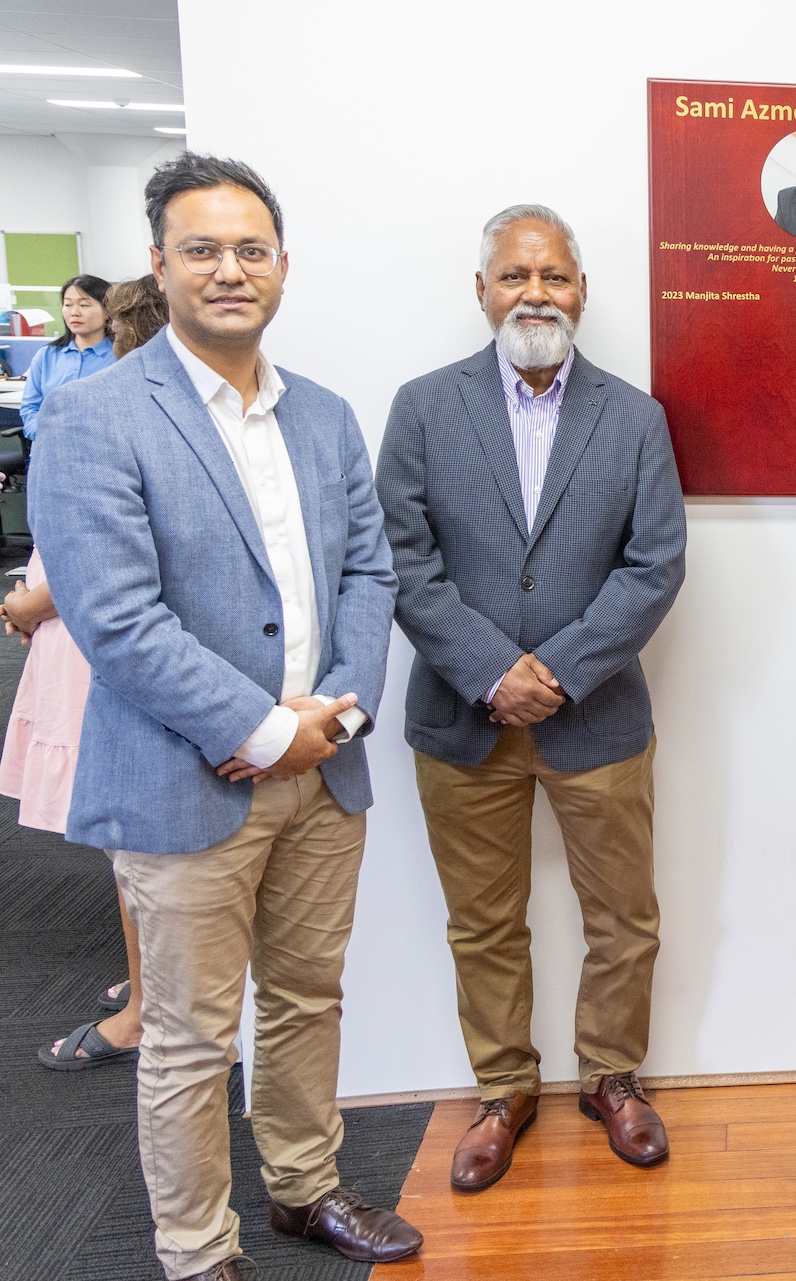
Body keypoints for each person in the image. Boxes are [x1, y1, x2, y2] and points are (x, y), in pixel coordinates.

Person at [30, 152, 417, 1280]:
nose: (230, 270)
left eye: (252, 249)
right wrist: (261, 730)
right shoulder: (97, 417)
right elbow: (117, 619)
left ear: (283, 268)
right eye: (202, 249)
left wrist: (332, 722)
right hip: (186, 781)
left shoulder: (327, 418)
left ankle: (304, 1189)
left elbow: (370, 580)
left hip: (323, 773)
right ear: (160, 263)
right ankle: (199, 1249)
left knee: (306, 999)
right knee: (193, 1038)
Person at [377, 204, 687, 1191]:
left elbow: (656, 564)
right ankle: (503, 1087)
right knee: (483, 922)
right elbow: (402, 561)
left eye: (554, 275)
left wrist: (553, 671)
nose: (535, 293)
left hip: (596, 716)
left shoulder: (636, 418)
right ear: (482, 292)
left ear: (582, 291)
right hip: (458, 722)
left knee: (624, 919)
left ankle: (613, 1078)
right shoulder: (424, 409)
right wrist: (489, 670)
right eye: (514, 276)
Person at [6, 271, 174, 1071]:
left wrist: (32, 602)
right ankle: (147, 986)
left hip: (93, 636)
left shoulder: (120, 419)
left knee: (130, 833)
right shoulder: (87, 410)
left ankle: (145, 1007)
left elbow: (94, 562)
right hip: (83, 633)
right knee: (128, 837)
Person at [18, 274, 114, 439]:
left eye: (84, 305)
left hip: (99, 451)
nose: (74, 312)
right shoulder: (46, 356)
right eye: (68, 304)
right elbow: (30, 409)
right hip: (48, 450)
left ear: (107, 311)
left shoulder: (121, 356)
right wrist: (46, 434)